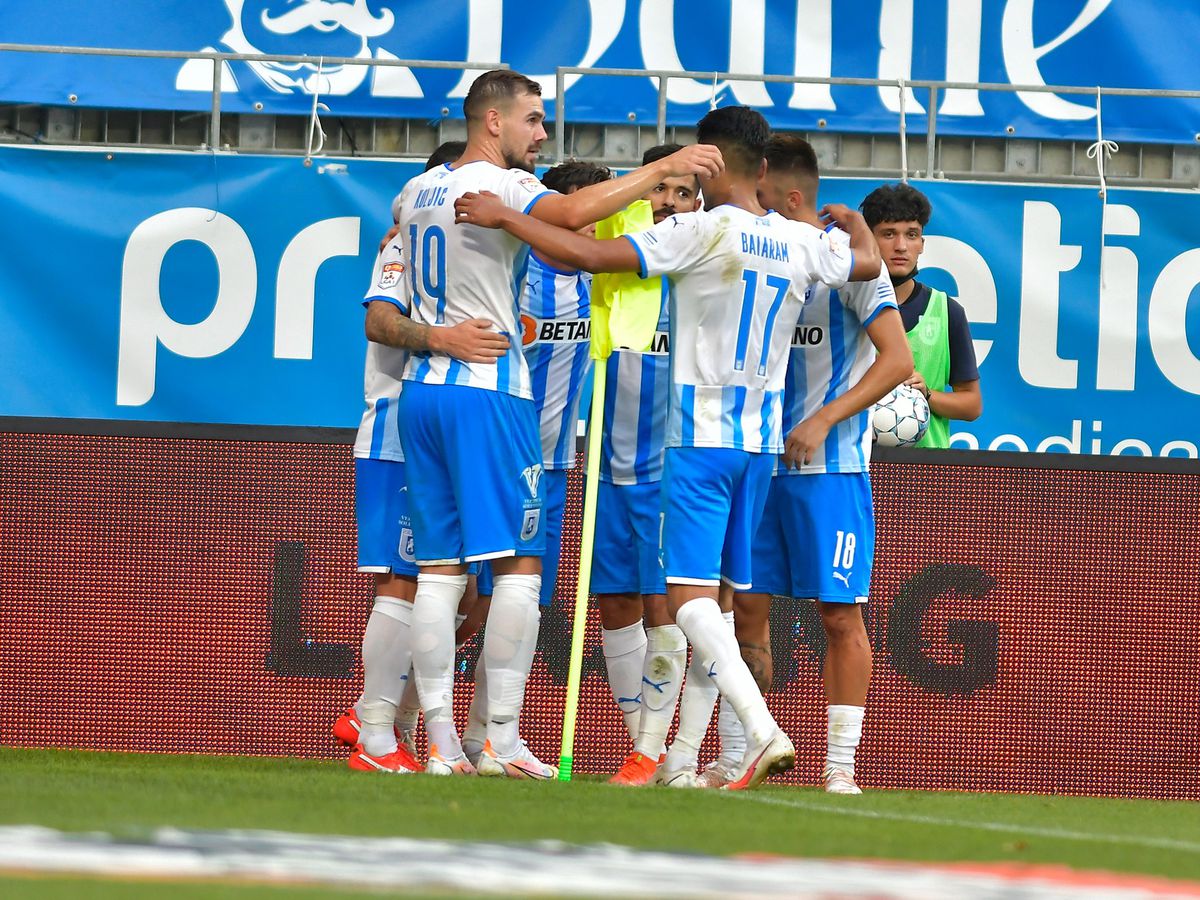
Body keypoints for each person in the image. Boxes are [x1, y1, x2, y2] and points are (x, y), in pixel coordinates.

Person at [455, 105, 882, 790]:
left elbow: (589, 255)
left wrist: (508, 218)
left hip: (698, 440)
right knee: (720, 601)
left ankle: (760, 727)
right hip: (760, 450)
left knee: (686, 599)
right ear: (765, 168)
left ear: (701, 163)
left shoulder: (699, 229)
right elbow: (861, 260)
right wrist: (858, 227)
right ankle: (687, 753)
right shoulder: (803, 242)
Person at [392, 68, 723, 778]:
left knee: (440, 572)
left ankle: (445, 745)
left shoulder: (414, 191)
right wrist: (661, 168)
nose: (542, 134)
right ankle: (501, 741)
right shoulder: (506, 188)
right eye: (534, 120)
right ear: (493, 122)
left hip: (423, 390)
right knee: (520, 568)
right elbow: (570, 217)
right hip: (490, 389)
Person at [724, 135, 912, 794]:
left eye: (764, 194)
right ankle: (742, 749)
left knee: (840, 614)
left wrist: (825, 417)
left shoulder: (853, 270)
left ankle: (840, 765)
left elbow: (898, 361)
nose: (755, 204)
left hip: (829, 470)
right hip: (754, 460)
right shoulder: (755, 253)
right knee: (742, 610)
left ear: (787, 193)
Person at [334, 140, 502, 774]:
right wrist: (444, 337)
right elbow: (378, 322)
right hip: (398, 436)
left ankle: (386, 723)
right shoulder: (403, 248)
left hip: (443, 432)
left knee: (451, 592)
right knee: (405, 583)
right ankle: (375, 733)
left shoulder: (468, 262)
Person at [462, 159, 614, 766]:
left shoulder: (600, 285)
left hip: (551, 469)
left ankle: (493, 734)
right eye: (582, 214)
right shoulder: (512, 274)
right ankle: (402, 720)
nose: (592, 230)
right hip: (492, 456)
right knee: (461, 600)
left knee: (523, 606)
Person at [592, 143, 700, 786]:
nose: (666, 204)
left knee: (667, 609)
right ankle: (645, 748)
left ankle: (659, 756)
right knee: (615, 605)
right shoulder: (610, 269)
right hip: (609, 471)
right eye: (657, 190)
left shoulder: (696, 274)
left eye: (681, 194)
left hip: (672, 475)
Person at [859, 183, 982, 447]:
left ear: (922, 244)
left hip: (924, 474)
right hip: (856, 465)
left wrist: (926, 394)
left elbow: (972, 405)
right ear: (868, 239)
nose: (901, 246)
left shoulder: (947, 310)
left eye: (912, 235)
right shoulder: (844, 305)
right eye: (889, 234)